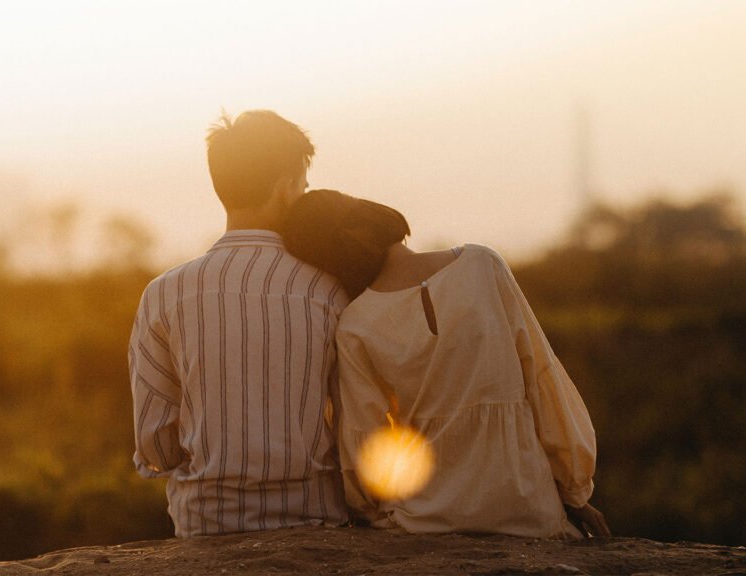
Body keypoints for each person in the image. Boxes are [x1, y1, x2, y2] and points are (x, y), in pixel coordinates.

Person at [281, 189, 610, 539]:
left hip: (425, 520)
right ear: (372, 213)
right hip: (527, 508)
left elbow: (366, 442)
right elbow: (543, 380)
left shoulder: (355, 325)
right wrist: (574, 492)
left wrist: (368, 511)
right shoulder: (483, 265)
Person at [129, 111, 350, 537]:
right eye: (303, 187)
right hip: (315, 521)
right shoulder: (329, 290)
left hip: (207, 524)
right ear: (287, 188)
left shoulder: (164, 293)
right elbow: (354, 422)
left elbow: (154, 444)